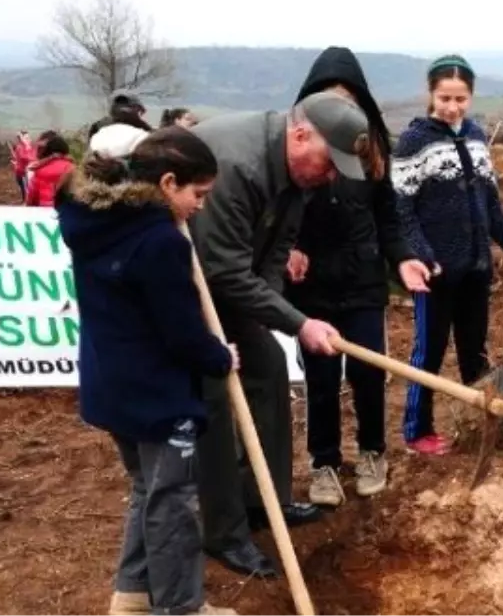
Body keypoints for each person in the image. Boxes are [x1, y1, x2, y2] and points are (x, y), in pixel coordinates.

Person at [186, 90, 372, 578]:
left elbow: (275, 250)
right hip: (186, 289)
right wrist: (298, 322)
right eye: (328, 162)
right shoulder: (235, 166)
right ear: (300, 133)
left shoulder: (297, 173)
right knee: (214, 393)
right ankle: (224, 531)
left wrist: (269, 317)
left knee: (267, 364)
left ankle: (264, 501)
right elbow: (221, 268)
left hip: (231, 283)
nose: (330, 175)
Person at [56, 127, 240, 616]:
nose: (200, 206)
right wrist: (220, 357)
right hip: (156, 395)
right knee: (174, 501)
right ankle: (180, 608)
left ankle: (133, 595)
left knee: (147, 487)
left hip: (112, 386)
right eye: (196, 195)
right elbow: (180, 331)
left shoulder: (93, 221)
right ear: (167, 183)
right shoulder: (159, 242)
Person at [285, 46, 431, 506]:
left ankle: (372, 453)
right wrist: (289, 246)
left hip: (364, 281)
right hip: (314, 285)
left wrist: (401, 258)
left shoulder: (372, 151)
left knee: (369, 373)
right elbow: (280, 212)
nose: (340, 108)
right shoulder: (298, 149)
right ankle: (324, 462)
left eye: (348, 99)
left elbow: (389, 218)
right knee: (321, 380)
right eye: (330, 98)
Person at [392, 54, 503, 456]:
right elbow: (401, 211)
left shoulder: (475, 137)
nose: (452, 107)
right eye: (444, 98)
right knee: (428, 353)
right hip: (434, 273)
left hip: (476, 269)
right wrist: (422, 254)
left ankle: (480, 423)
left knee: (474, 351)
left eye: (460, 98)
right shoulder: (414, 141)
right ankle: (417, 431)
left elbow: (491, 208)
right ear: (431, 94)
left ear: (471, 97)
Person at [24, 131, 76, 207]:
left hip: (44, 212)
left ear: (47, 150)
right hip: (65, 212)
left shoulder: (39, 170)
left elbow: (31, 197)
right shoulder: (72, 168)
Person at [10, 130, 36, 200]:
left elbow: (35, 158)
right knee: (26, 193)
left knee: (29, 192)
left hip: (29, 174)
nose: (29, 139)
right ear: (21, 139)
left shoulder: (31, 147)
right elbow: (25, 158)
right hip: (22, 174)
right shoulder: (20, 147)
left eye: (29, 138)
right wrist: (26, 145)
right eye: (26, 138)